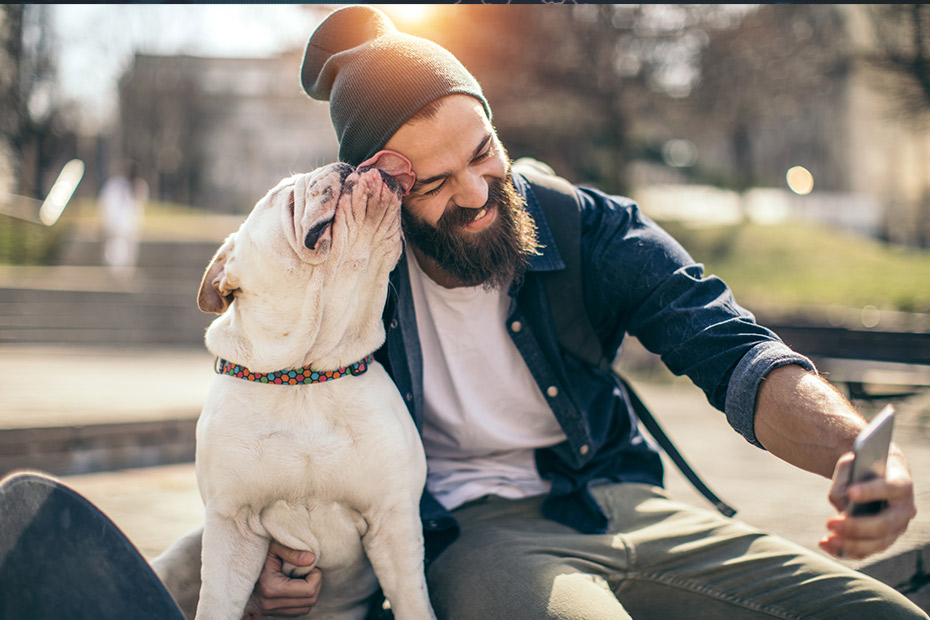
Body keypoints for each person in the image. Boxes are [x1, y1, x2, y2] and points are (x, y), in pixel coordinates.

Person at [152, 6, 925, 619]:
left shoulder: (585, 226)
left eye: (482, 152)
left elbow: (731, 349)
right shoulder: (350, 287)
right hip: (472, 537)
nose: (476, 193)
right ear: (382, 191)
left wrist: (857, 453)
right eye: (434, 183)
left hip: (621, 502)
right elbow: (274, 441)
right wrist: (276, 566)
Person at [99, 160, 148, 281]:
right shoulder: (115, 185)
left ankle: (126, 275)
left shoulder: (139, 185)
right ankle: (114, 275)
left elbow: (140, 204)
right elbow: (107, 203)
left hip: (131, 226)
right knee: (115, 251)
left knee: (129, 253)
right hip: (116, 224)